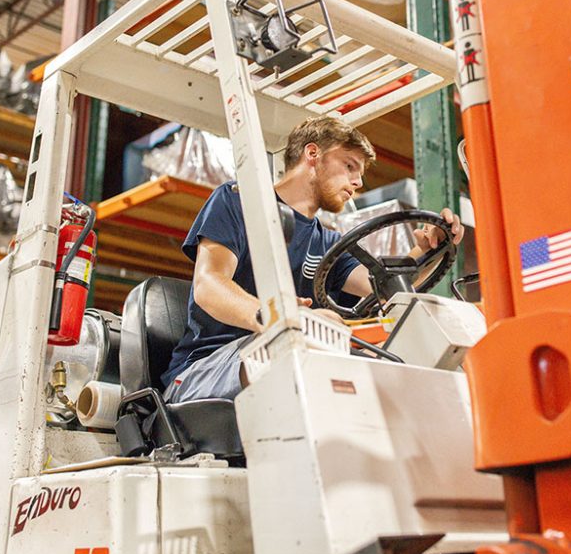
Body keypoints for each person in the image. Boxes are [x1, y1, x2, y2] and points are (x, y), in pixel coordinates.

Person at [161, 115, 464, 403]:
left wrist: (428, 251)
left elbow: (384, 289)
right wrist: (284, 318)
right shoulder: (239, 201)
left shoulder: (329, 243)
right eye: (349, 165)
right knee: (304, 344)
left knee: (401, 361)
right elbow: (208, 285)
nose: (357, 182)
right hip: (206, 368)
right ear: (312, 154)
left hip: (291, 354)